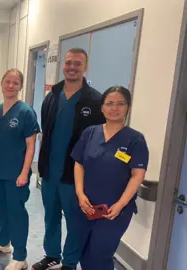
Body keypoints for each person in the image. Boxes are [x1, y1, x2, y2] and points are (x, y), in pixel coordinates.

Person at [33, 48, 105, 270]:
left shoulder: (95, 100)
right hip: (50, 171)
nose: (72, 67)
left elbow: (100, 138)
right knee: (51, 217)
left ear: (85, 67)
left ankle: (70, 262)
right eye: (69, 63)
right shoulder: (52, 96)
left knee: (75, 221)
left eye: (78, 63)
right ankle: (52, 255)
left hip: (75, 175)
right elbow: (46, 131)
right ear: (63, 65)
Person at [71, 86, 148, 270]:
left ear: (128, 108)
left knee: (100, 254)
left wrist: (120, 204)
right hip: (86, 206)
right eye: (110, 103)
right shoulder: (90, 133)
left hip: (115, 210)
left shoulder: (135, 140)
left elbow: (137, 175)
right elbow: (79, 164)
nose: (114, 108)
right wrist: (80, 194)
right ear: (102, 108)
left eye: (120, 104)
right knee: (83, 252)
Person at [0, 68, 39, 270]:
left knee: (16, 211)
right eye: (7, 81)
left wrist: (25, 173)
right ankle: (3, 243)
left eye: (15, 83)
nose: (11, 86)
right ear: (1, 83)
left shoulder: (26, 112)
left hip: (16, 173)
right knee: (1, 208)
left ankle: (21, 256)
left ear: (20, 86)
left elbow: (31, 146)